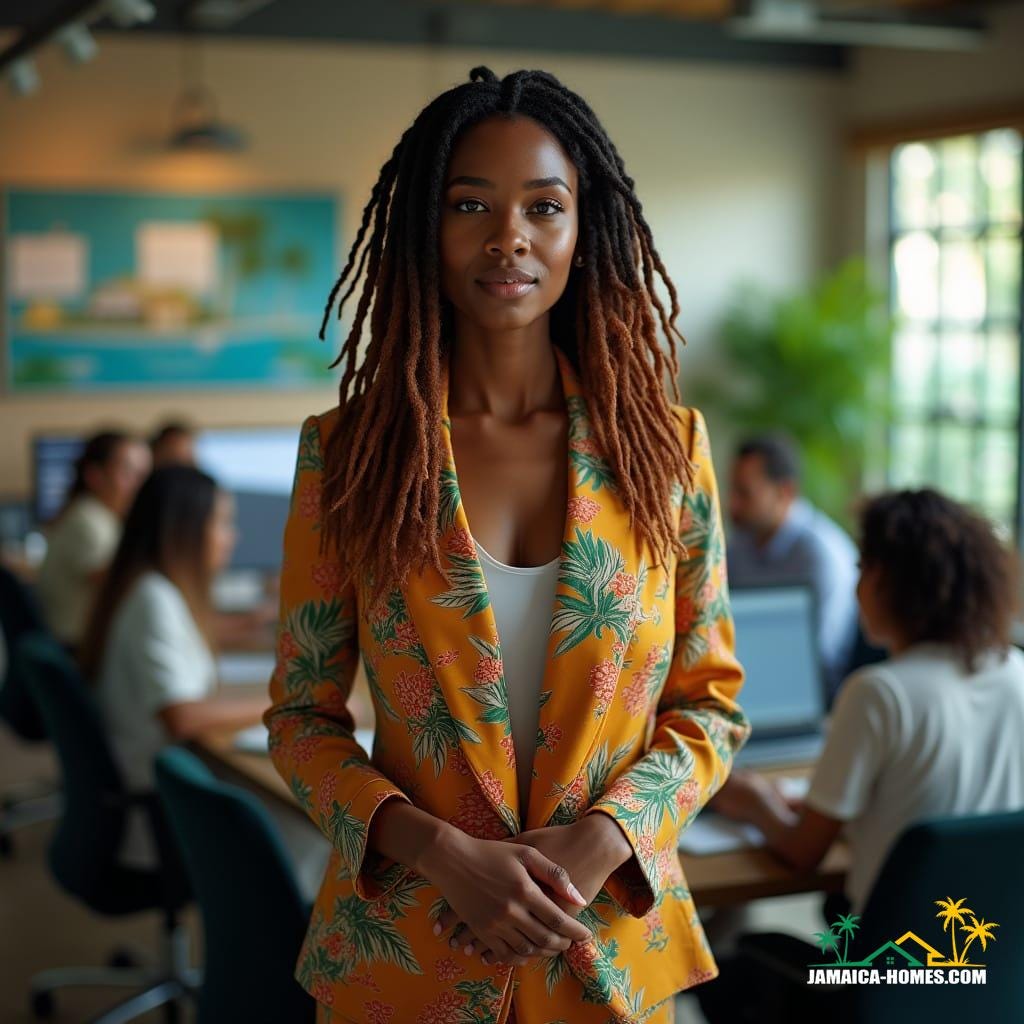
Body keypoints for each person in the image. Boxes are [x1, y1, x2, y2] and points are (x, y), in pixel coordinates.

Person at [264, 66, 751, 1024]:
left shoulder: (664, 449)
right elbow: (301, 720)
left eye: (544, 206)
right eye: (470, 204)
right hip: (409, 956)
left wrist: (604, 838)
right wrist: (442, 854)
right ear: (425, 230)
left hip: (608, 949)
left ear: (584, 229)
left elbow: (712, 706)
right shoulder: (350, 456)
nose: (509, 237)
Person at [700, 487, 1024, 1022]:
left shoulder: (880, 692)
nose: (855, 586)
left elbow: (804, 853)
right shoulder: (1015, 671)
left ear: (890, 580)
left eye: (861, 567)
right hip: (990, 965)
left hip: (886, 972)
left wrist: (754, 800)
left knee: (731, 966)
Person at [79, 465, 267, 868]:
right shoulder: (153, 599)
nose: (231, 537)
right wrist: (291, 700)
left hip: (172, 788)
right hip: (165, 810)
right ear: (187, 529)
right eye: (222, 523)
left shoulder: (150, 587)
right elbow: (180, 716)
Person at [726, 433, 860, 703]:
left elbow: (819, 657)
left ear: (785, 492)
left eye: (745, 493)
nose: (732, 505)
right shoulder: (739, 546)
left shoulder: (822, 556)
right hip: (743, 691)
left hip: (811, 702)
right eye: (732, 491)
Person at [35, 430, 151, 650]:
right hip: (78, 649)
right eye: (129, 473)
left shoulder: (101, 518)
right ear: (95, 476)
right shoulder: (87, 521)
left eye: (144, 475)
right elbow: (124, 585)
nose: (139, 486)